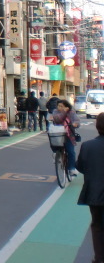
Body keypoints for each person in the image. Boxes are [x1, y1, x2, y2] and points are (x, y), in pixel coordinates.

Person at [77, 113, 104, 263]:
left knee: (97, 224)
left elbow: (80, 166)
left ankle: (99, 258)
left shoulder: (88, 146)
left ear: (97, 126)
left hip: (95, 191)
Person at [52, 99, 80, 177]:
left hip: (68, 135)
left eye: (62, 106)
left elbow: (77, 121)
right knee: (53, 143)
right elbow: (57, 120)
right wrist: (64, 112)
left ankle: (71, 169)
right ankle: (56, 155)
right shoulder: (55, 112)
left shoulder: (71, 112)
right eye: (58, 106)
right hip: (57, 134)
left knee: (71, 151)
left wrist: (75, 124)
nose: (59, 107)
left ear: (67, 107)